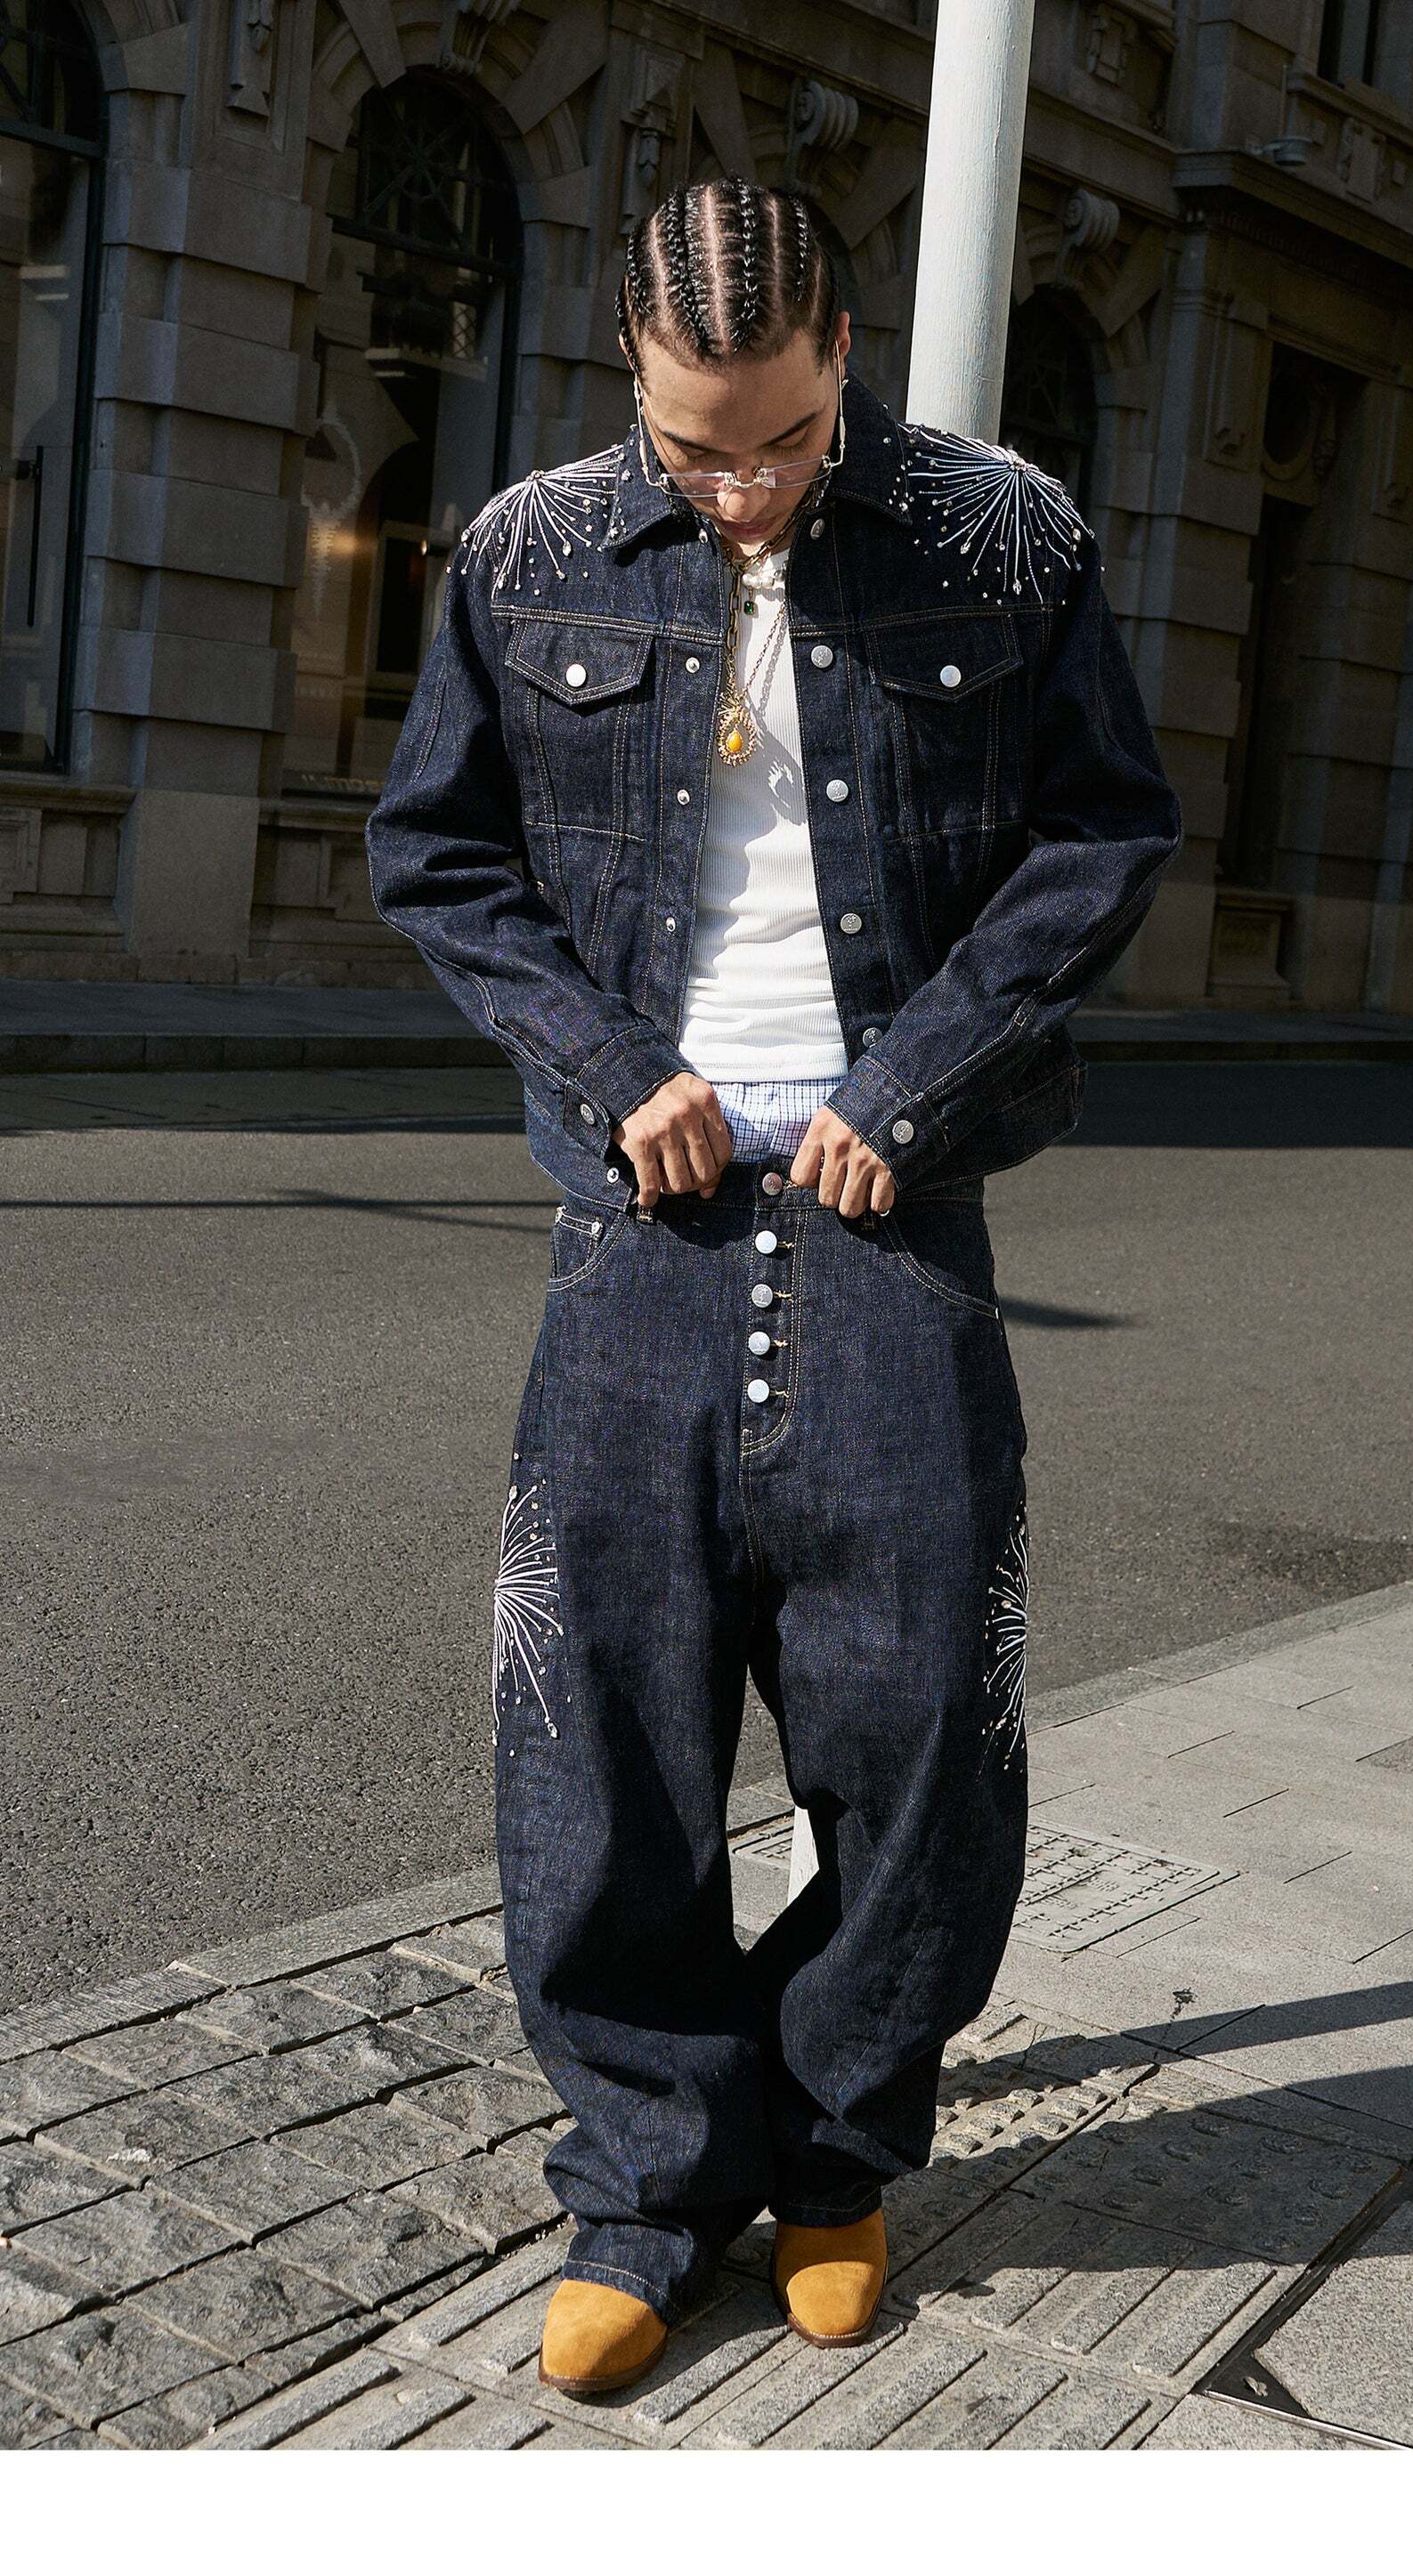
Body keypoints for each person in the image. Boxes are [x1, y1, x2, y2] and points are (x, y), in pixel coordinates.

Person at [365, 175, 1181, 2398]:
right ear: (628, 377)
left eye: (790, 441)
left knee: (919, 1730)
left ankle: (831, 2149)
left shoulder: (1000, 536)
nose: (743, 491)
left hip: (892, 1209)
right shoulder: (526, 548)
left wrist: (913, 1084)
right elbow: (437, 853)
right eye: (696, 447)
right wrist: (606, 1064)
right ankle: (644, 2179)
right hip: (635, 1217)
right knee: (597, 1727)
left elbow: (1101, 832)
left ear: (845, 364)